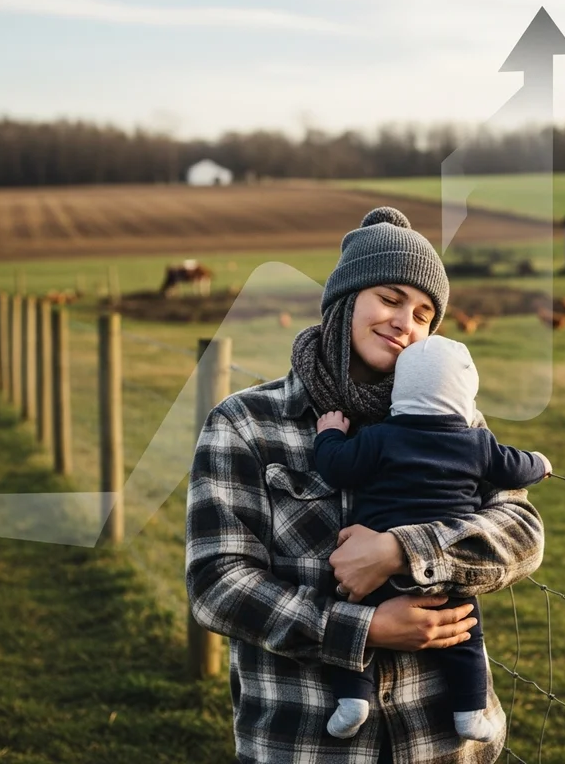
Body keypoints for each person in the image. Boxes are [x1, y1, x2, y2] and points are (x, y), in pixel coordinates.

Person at [185, 206, 545, 764]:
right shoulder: (246, 424)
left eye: (425, 313)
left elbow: (521, 534)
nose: (406, 322)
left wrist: (402, 551)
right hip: (303, 743)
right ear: (343, 301)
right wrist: (364, 627)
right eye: (391, 298)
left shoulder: (457, 424)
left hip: (440, 743)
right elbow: (217, 584)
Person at [314, 335, 552, 743]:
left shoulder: (379, 436)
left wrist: (330, 435)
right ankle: (470, 711)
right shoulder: (477, 443)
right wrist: (542, 463)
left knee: (350, 619)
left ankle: (352, 699)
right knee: (465, 634)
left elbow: (336, 467)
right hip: (444, 566)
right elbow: (515, 468)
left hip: (368, 569)